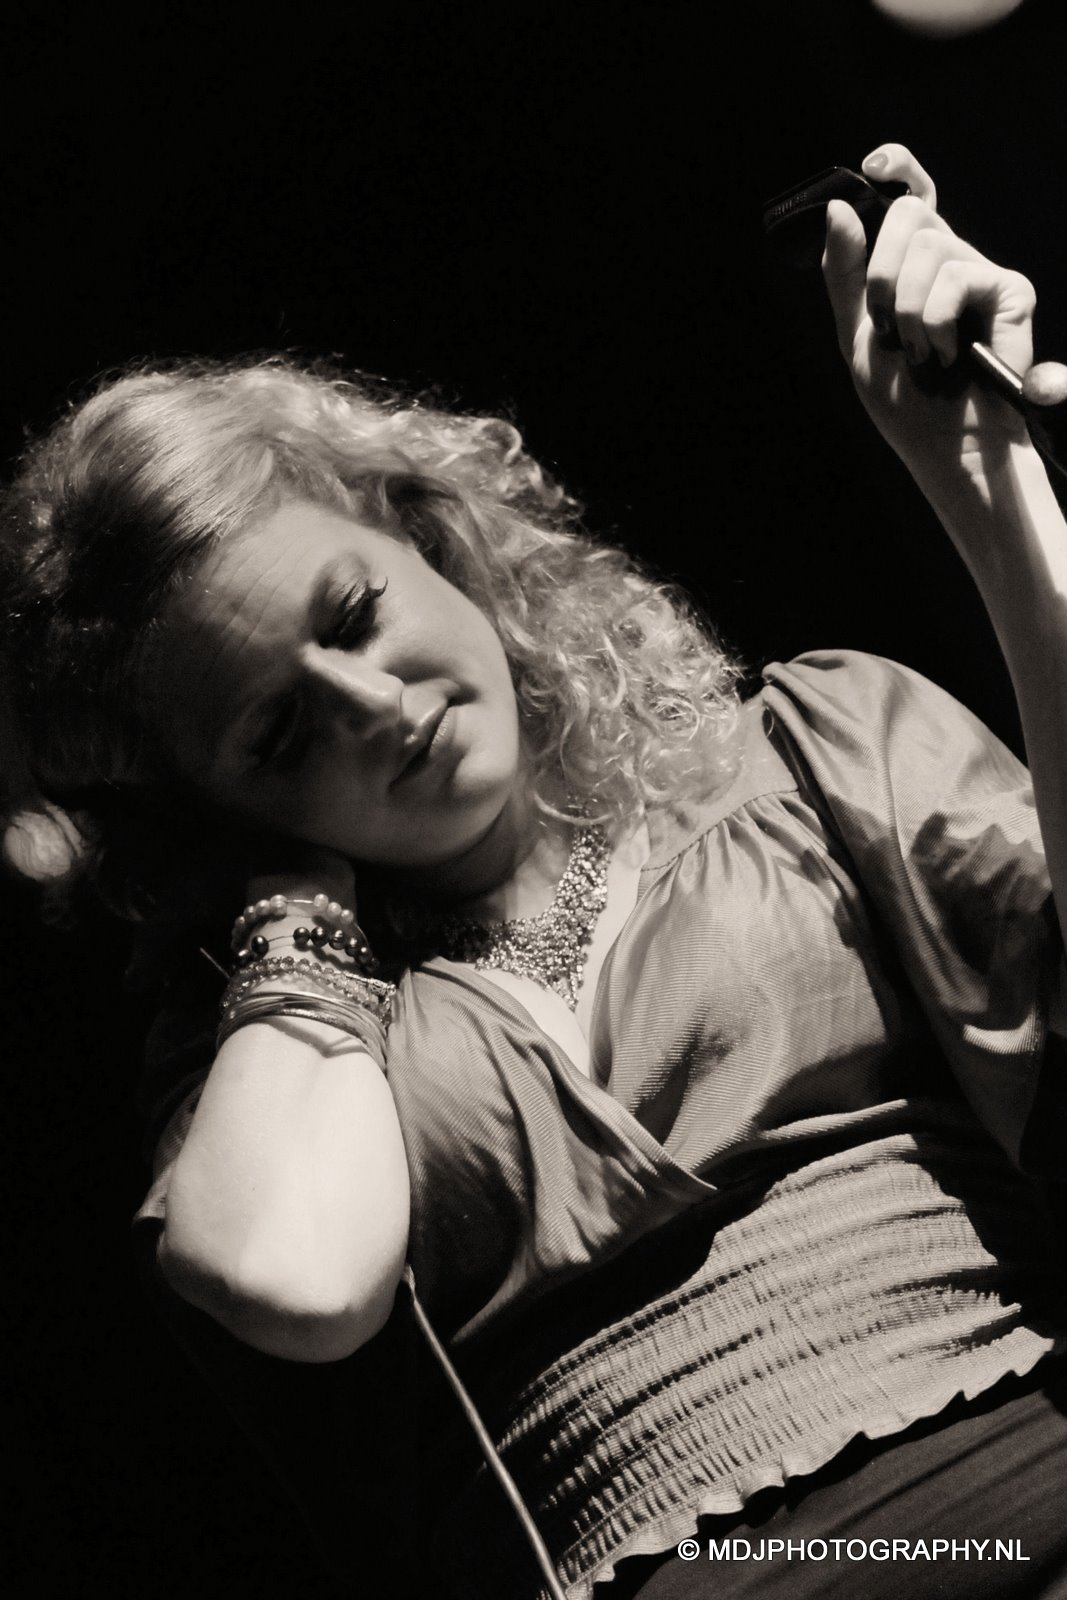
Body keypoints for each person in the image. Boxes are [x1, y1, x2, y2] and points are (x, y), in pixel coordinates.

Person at [3, 142, 1067, 1599]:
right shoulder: (281, 1040)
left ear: (428, 537)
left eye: (354, 615)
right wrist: (290, 912)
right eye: (281, 730)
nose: (375, 706)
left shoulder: (810, 750)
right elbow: (296, 1278)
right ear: (224, 813)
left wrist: (992, 496)